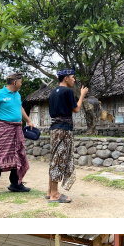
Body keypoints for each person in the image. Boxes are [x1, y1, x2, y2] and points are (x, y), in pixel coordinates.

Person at [47, 68, 88, 203]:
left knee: (55, 158)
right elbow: (76, 109)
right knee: (59, 159)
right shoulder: (68, 91)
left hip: (54, 129)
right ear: (66, 78)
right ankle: (54, 194)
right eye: (72, 77)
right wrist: (82, 95)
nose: (74, 79)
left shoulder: (53, 92)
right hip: (64, 130)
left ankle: (50, 191)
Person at [0, 72, 34, 192]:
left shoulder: (17, 95)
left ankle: (16, 184)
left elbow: (20, 108)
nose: (21, 84)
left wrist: (28, 121)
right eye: (21, 82)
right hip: (3, 130)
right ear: (15, 82)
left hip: (17, 129)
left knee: (19, 156)